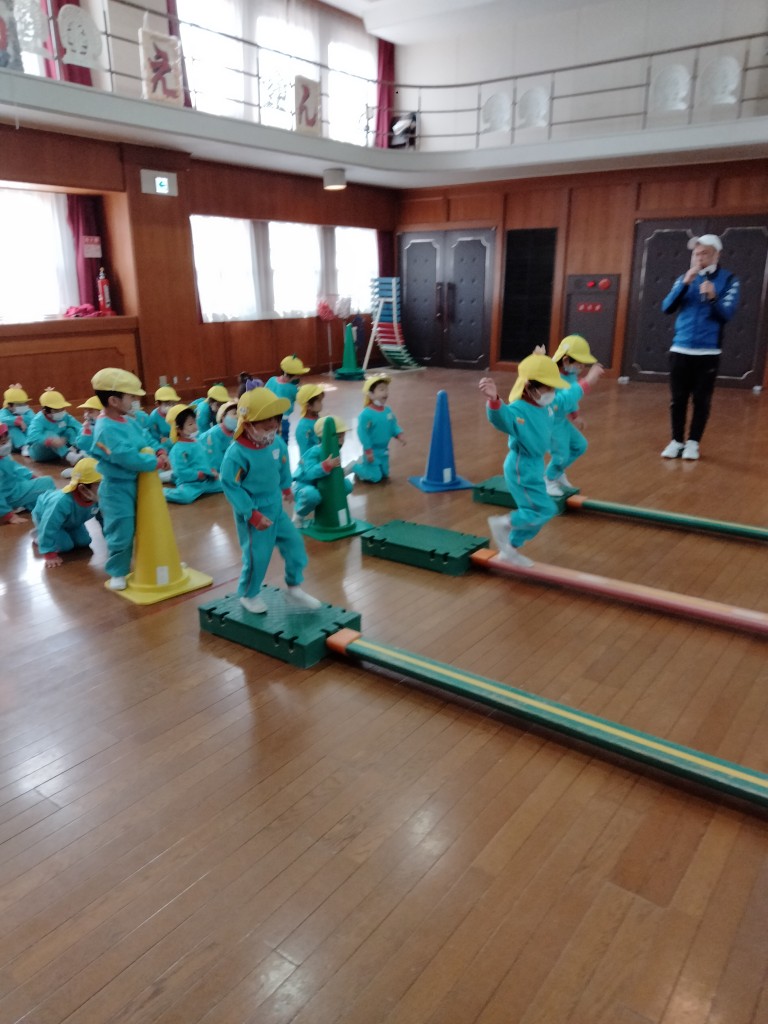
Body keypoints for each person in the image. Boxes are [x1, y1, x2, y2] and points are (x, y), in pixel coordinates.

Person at [220, 388, 321, 615]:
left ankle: (294, 588)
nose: (272, 429)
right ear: (248, 425)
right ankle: (249, 594)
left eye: (275, 423)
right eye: (265, 426)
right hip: (254, 511)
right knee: (258, 556)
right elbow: (230, 485)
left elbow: (283, 464)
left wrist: (286, 487)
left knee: (294, 544)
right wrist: (252, 514)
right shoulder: (236, 454)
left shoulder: (275, 443)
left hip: (275, 506)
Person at [479, 353, 570, 567]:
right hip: (521, 466)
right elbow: (502, 418)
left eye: (553, 388)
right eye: (548, 388)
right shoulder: (519, 409)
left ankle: (509, 550)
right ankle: (504, 523)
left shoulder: (545, 407)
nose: (552, 392)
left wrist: (540, 360)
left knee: (541, 513)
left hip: (535, 465)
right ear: (530, 386)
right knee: (543, 510)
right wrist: (494, 400)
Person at [660, 233, 740, 460]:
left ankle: (693, 442)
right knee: (677, 399)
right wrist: (685, 284)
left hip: (708, 351)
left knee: (701, 400)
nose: (699, 258)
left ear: (716, 255)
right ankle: (676, 441)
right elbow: (667, 307)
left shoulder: (729, 280)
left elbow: (727, 314)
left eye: (704, 253)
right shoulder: (684, 278)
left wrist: (714, 298)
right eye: (696, 253)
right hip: (680, 348)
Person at [91, 367, 170, 591]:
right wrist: (153, 462)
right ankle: (118, 571)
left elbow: (145, 438)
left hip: (141, 483)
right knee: (122, 530)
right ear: (114, 400)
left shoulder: (128, 421)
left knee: (150, 524)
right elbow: (125, 456)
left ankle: (158, 563)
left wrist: (159, 451)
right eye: (130, 397)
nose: (135, 402)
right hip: (117, 489)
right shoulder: (105, 428)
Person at [544, 336, 604, 496]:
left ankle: (558, 472)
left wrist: (575, 415)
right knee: (561, 454)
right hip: (548, 423)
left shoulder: (569, 375)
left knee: (580, 445)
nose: (581, 369)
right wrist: (586, 382)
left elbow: (570, 398)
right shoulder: (550, 376)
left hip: (559, 420)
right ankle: (549, 479)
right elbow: (559, 402)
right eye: (579, 364)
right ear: (565, 360)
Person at [31, 457, 102, 568]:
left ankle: (64, 532)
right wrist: (49, 553)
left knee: (84, 542)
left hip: (71, 522)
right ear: (83, 489)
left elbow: (104, 520)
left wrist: (113, 540)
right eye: (100, 485)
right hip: (46, 518)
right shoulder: (61, 502)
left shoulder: (97, 499)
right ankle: (39, 537)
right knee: (66, 546)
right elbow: (49, 525)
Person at [292, 415, 354, 528]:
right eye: (339, 436)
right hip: (304, 485)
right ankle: (298, 516)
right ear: (326, 437)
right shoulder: (314, 451)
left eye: (343, 436)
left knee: (347, 485)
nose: (342, 440)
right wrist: (325, 466)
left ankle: (329, 509)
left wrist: (341, 472)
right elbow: (309, 472)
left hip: (323, 485)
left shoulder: (335, 451)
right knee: (311, 495)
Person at [164, 404, 222, 504]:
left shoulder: (197, 441)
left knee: (226, 483)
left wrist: (212, 471)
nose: (195, 427)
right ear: (178, 429)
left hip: (206, 480)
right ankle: (162, 492)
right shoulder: (177, 449)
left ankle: (172, 477)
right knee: (185, 497)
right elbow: (180, 471)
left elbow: (205, 460)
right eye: (190, 424)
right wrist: (198, 474)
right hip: (190, 483)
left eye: (195, 422)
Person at [0, 422, 55, 525]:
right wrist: (8, 515)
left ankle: (27, 504)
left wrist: (31, 476)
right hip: (10, 494)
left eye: (5, 439)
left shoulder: (3, 455)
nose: (5, 443)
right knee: (48, 482)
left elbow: (16, 468)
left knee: (39, 495)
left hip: (13, 487)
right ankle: (14, 505)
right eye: (1, 442)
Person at [353, 374, 405, 483]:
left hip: (384, 451)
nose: (386, 392)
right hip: (372, 451)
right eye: (381, 389)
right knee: (376, 477)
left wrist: (399, 435)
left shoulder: (388, 411)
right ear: (371, 395)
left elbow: (393, 425)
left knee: (385, 474)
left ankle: (368, 467)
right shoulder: (366, 414)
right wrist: (368, 450)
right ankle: (356, 467)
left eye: (386, 389)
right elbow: (362, 433)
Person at [26, 388, 81, 464]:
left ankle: (79, 450)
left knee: (71, 430)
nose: (60, 412)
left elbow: (78, 426)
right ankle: (69, 456)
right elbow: (32, 436)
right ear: (45, 411)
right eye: (56, 410)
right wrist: (50, 441)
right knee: (49, 433)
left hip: (57, 452)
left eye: (62, 409)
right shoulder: (38, 420)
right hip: (40, 453)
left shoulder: (65, 416)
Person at [265, 355, 310, 444]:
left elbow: (264, 393)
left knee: (270, 439)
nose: (299, 378)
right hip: (282, 420)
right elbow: (302, 399)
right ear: (288, 375)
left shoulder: (272, 380)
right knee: (283, 440)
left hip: (267, 417)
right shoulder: (292, 388)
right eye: (297, 376)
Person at [200, 399, 238, 473]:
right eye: (234, 413)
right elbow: (215, 461)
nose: (237, 417)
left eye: (239, 414)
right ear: (223, 416)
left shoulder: (234, 433)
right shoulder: (214, 434)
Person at [0, 384, 34, 455]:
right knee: (11, 428)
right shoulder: (4, 411)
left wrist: (22, 419)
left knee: (31, 427)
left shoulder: (27, 410)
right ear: (9, 406)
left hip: (28, 439)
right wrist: (17, 421)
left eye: (24, 403)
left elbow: (33, 419)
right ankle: (24, 446)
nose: (23, 406)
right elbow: (2, 419)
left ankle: (32, 444)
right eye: (19, 404)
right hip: (10, 443)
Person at [294, 383, 325, 457]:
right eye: (319, 401)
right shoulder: (303, 428)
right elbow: (305, 454)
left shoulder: (318, 419)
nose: (321, 404)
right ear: (308, 406)